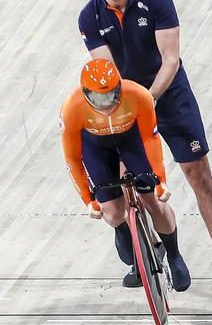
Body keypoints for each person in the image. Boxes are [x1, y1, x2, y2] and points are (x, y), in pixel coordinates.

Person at [77, 0, 212, 288]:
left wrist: (149, 99)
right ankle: (146, 252)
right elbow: (107, 71)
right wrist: (129, 107)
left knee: (197, 173)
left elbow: (171, 59)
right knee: (125, 175)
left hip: (168, 93)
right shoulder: (89, 17)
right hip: (125, 101)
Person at [61, 59, 191, 291]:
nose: (107, 104)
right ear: (86, 94)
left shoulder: (138, 95)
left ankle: (174, 256)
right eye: (100, 99)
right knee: (111, 212)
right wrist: (88, 200)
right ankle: (124, 230)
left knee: (154, 200)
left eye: (112, 95)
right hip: (97, 148)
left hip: (132, 140)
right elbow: (72, 158)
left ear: (120, 87)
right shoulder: (72, 108)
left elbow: (150, 139)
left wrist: (160, 180)